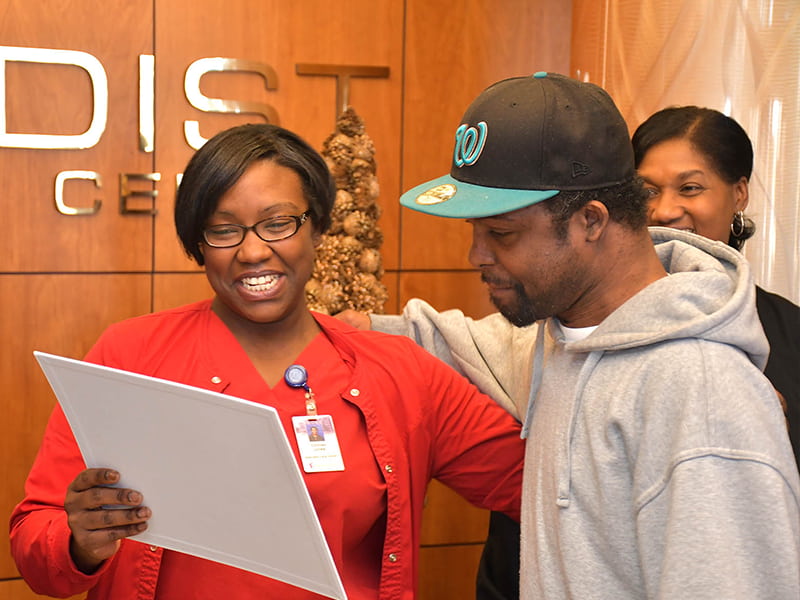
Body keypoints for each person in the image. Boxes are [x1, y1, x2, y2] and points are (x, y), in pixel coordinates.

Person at [9, 123, 526, 600]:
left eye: (278, 223)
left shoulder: (400, 372)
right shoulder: (130, 355)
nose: (253, 252)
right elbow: (36, 546)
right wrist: (80, 543)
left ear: (317, 227)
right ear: (199, 244)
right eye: (223, 229)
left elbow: (539, 486)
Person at [338, 72, 800, 598]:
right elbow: (443, 339)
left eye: (502, 233)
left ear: (591, 221)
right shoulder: (559, 339)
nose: (477, 256)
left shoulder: (703, 396)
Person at [632, 105, 800, 467]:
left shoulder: (791, 332)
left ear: (739, 194)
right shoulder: (598, 320)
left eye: (689, 188)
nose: (663, 211)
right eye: (647, 192)